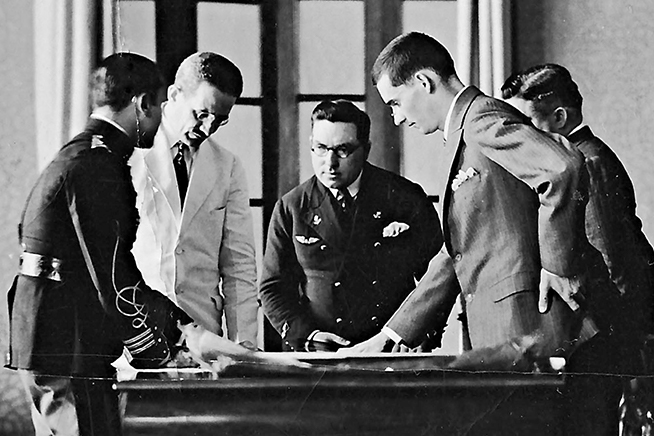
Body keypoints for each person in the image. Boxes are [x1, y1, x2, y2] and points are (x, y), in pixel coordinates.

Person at [347, 32, 605, 361]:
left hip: (528, 323)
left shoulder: (480, 120)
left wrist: (558, 267)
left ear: (424, 82)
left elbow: (562, 168)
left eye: (395, 103)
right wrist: (392, 333)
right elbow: (457, 251)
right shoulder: (463, 131)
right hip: (502, 328)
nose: (396, 118)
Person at [6, 53, 192, 436]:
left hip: (51, 335)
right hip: (68, 342)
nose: (160, 119)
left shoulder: (81, 153)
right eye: (159, 106)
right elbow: (113, 278)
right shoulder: (98, 164)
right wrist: (170, 341)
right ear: (143, 104)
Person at [502, 63, 654, 434]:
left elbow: (613, 260)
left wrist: (631, 351)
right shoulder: (578, 158)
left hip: (609, 330)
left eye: (528, 124)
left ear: (560, 117)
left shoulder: (587, 163)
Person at [260, 100, 443, 351]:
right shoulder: (292, 207)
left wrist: (418, 333)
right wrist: (309, 336)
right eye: (320, 148)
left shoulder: (404, 197)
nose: (330, 162)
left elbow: (438, 275)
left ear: (365, 150)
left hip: (391, 348)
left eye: (343, 150)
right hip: (320, 351)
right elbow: (273, 288)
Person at [129, 52, 258, 346]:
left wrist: (244, 346)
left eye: (220, 120)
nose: (208, 128)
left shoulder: (227, 166)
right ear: (174, 95)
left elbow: (238, 266)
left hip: (202, 333)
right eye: (201, 114)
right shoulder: (131, 153)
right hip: (135, 329)